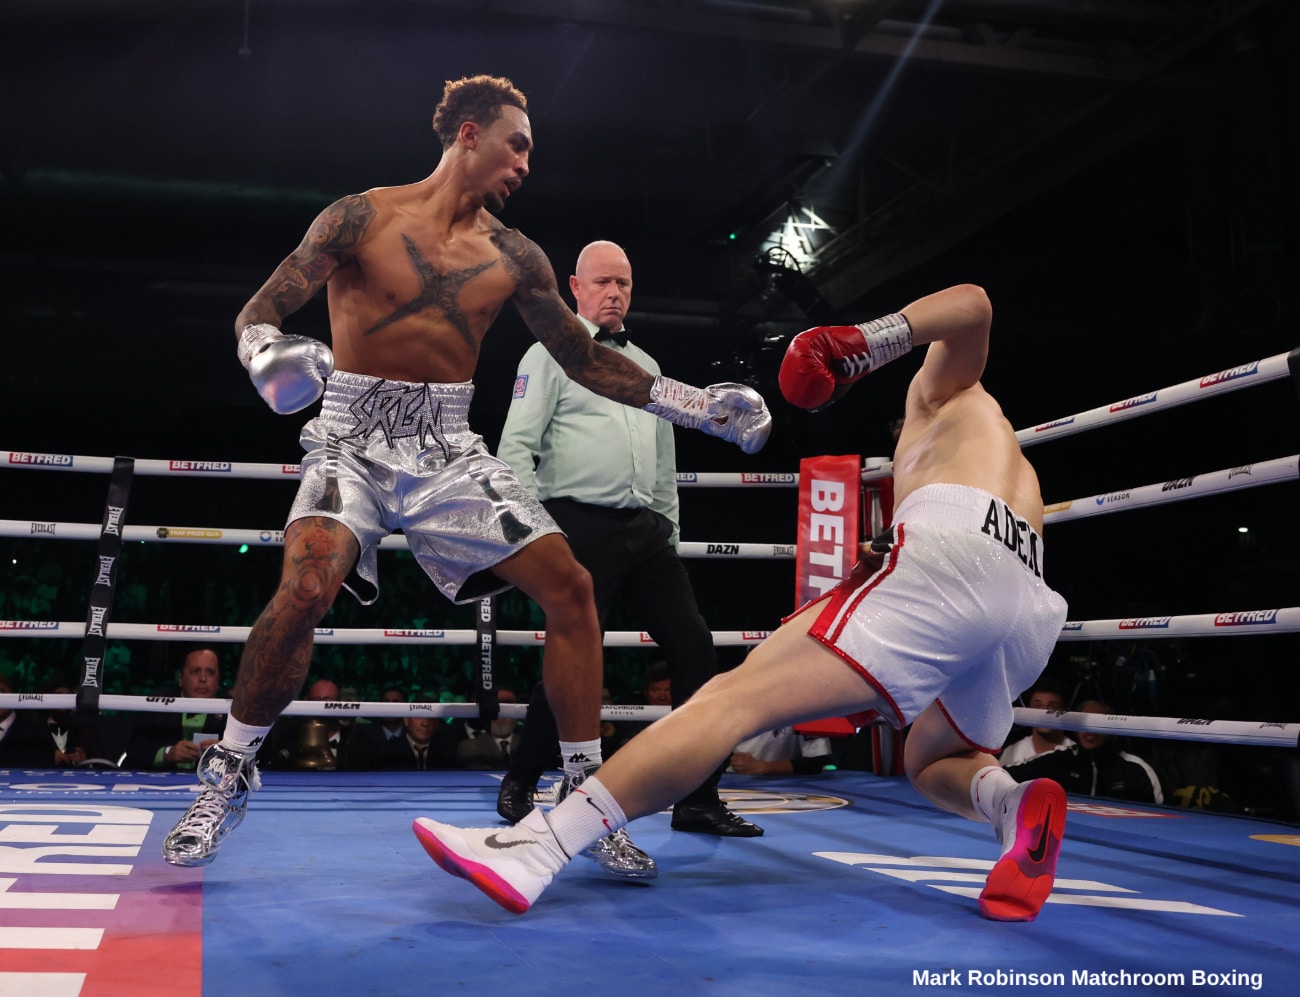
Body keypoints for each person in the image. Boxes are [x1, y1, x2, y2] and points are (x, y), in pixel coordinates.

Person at [161, 74, 770, 868]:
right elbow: (260, 309)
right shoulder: (360, 216)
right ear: (470, 135)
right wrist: (263, 351)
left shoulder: (516, 255)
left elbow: (584, 358)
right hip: (350, 435)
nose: (526, 165)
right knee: (306, 585)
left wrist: (697, 405)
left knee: (572, 588)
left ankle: (583, 806)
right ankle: (224, 778)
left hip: (447, 445)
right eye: (517, 146)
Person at [412, 283, 1072, 922]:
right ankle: (1009, 804)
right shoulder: (1000, 449)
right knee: (933, 760)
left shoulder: (941, 390)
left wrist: (856, 342)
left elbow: (973, 302)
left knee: (728, 700)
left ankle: (540, 847)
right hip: (1029, 599)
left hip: (955, 556)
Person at [493, 239, 762, 881]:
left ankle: (697, 796)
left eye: (624, 283)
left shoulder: (647, 365)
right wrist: (532, 533)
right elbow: (516, 447)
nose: (614, 293)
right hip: (577, 524)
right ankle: (523, 776)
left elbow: (663, 460)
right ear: (574, 287)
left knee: (695, 649)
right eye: (603, 282)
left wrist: (668, 528)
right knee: (574, 656)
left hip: (646, 531)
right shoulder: (549, 352)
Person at [1006, 700, 1163, 804]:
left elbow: (1157, 821)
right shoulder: (1061, 759)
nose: (1089, 731)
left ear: (1112, 730)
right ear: (1076, 729)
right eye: (1084, 725)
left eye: (1097, 724)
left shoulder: (1136, 770)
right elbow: (1007, 774)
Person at [125, 647, 225, 770]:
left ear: (218, 680)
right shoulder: (158, 703)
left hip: (212, 780)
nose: (203, 679)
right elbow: (134, 752)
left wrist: (226, 754)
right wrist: (168, 753)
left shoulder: (233, 708)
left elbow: (247, 760)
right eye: (195, 671)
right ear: (181, 679)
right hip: (162, 779)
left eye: (210, 672)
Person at [999, 678, 1075, 766]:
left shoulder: (1076, 753)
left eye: (1052, 707)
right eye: (1038, 706)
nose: (1044, 712)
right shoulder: (1012, 752)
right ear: (1028, 711)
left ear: (1065, 711)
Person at [452, 688, 522, 770]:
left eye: (507, 707)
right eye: (497, 707)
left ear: (517, 714)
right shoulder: (469, 746)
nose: (501, 714)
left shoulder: (528, 745)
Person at [729, 726, 833, 776]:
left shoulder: (807, 703)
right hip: (737, 780)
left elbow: (816, 762)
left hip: (788, 784)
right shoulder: (735, 700)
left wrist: (762, 767)